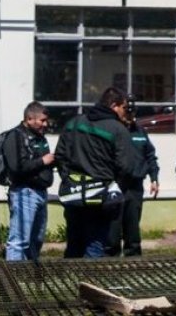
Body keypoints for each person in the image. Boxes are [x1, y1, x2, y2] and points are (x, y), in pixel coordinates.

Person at [55, 86, 136, 258]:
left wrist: (69, 180)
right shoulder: (118, 129)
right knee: (95, 244)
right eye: (124, 107)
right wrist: (114, 189)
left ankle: (70, 275)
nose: (126, 112)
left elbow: (60, 156)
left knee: (74, 243)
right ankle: (88, 275)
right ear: (114, 106)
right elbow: (126, 168)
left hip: (73, 195)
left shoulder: (74, 123)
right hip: (100, 198)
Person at [106, 96, 159, 257]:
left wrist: (154, 178)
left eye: (132, 113)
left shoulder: (140, 131)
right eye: (126, 112)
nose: (129, 116)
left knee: (132, 227)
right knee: (113, 228)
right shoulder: (113, 130)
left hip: (135, 186)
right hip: (116, 185)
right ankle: (111, 259)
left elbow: (150, 156)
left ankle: (133, 258)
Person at [4, 101, 55, 262]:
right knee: (19, 241)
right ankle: (13, 276)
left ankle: (28, 273)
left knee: (36, 240)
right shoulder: (15, 136)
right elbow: (16, 167)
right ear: (29, 119)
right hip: (24, 193)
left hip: (41, 192)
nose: (45, 124)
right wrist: (43, 161)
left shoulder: (39, 138)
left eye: (46, 121)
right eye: (42, 120)